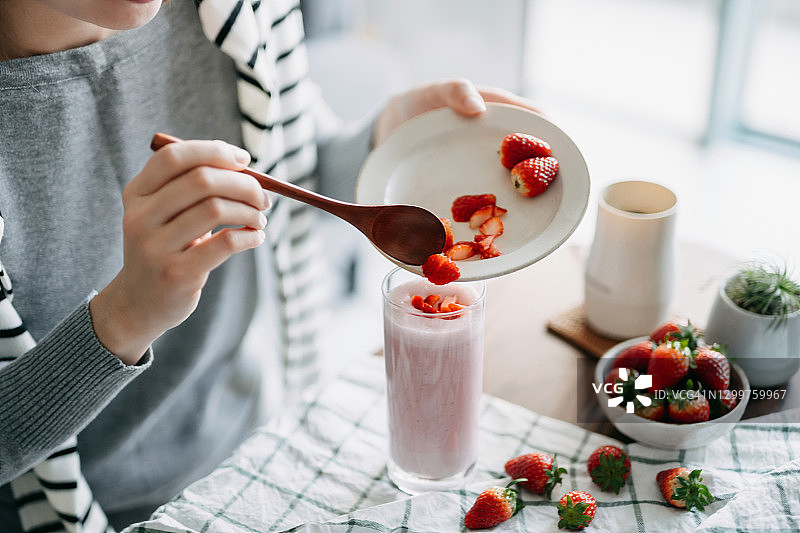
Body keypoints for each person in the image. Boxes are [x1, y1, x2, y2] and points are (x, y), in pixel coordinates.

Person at [0, 0, 539, 530]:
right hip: (84, 509)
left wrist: (379, 143)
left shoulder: (235, 10)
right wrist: (125, 316)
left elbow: (283, 168)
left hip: (258, 442)